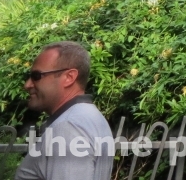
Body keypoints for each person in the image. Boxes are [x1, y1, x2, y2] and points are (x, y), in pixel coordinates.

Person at [15, 41, 114, 180]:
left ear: (69, 77)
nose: (27, 85)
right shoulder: (90, 117)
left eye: (36, 76)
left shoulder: (69, 126)